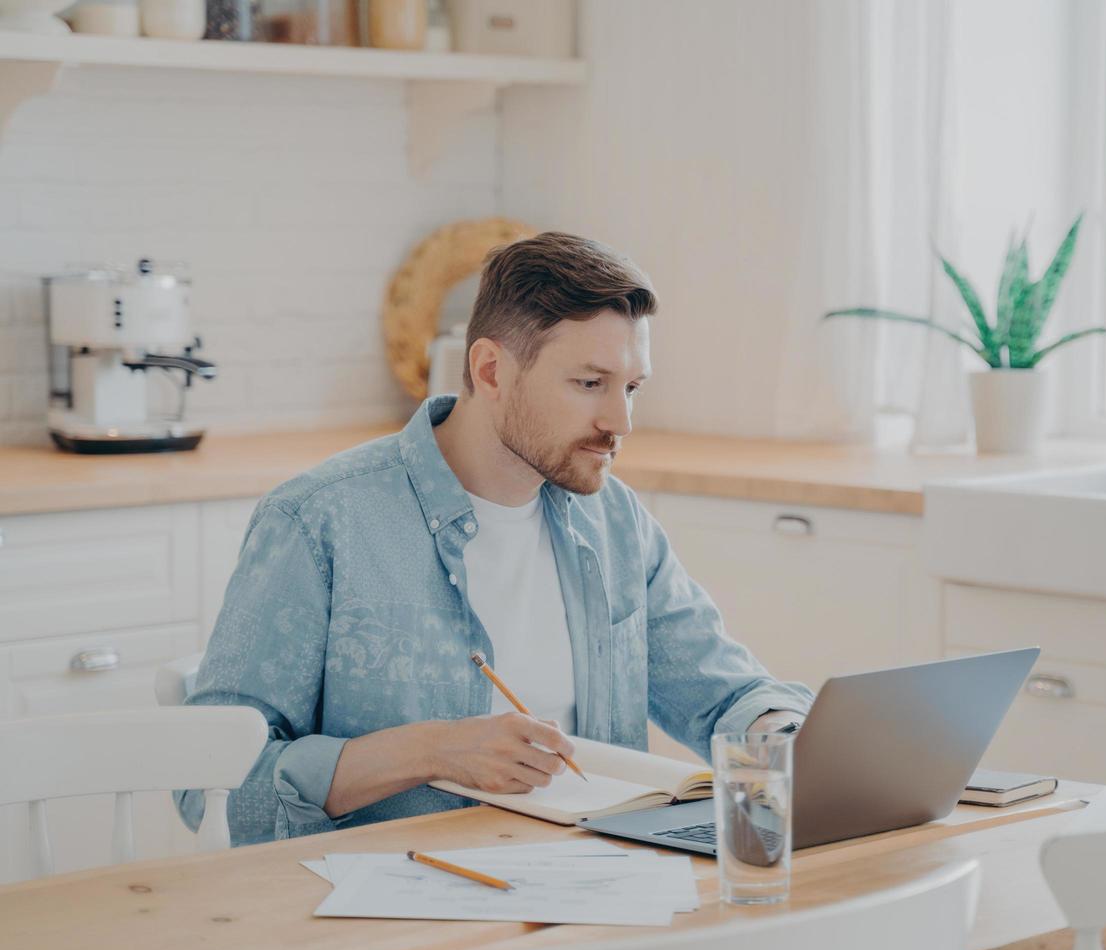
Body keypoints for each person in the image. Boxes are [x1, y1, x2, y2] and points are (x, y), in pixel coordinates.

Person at [178, 232, 813, 844]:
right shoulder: (318, 522)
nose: (619, 422)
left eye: (631, 388)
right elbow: (207, 787)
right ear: (490, 370)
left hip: (596, 893)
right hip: (395, 909)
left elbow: (727, 694)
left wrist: (781, 731)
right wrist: (432, 751)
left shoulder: (615, 521)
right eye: (589, 384)